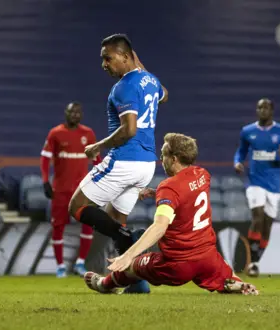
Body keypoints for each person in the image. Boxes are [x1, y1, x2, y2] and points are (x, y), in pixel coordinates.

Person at [84, 133, 259, 295]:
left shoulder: (169, 187)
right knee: (225, 278)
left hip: (178, 263)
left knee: (133, 266)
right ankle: (238, 286)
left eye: (164, 154)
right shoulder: (202, 175)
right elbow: (186, 197)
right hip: (208, 257)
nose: (161, 158)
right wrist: (156, 193)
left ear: (174, 159)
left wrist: (127, 255)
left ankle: (104, 284)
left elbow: (160, 226)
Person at [67, 33, 167, 293]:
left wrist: (98, 146)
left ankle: (128, 239)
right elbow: (164, 95)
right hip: (147, 165)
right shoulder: (150, 81)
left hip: (125, 160)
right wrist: (141, 68)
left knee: (77, 206)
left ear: (125, 57)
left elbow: (129, 129)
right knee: (115, 217)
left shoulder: (122, 87)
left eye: (108, 59)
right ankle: (133, 282)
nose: (104, 65)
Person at [234, 98, 280, 277]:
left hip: (273, 185)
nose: (262, 110)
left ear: (272, 111)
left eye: (266, 107)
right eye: (259, 107)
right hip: (254, 182)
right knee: (258, 216)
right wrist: (238, 162)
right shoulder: (248, 131)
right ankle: (252, 262)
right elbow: (241, 152)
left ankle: (255, 261)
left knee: (267, 226)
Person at [40, 102, 101, 277]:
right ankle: (60, 266)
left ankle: (80, 263)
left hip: (82, 191)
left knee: (88, 225)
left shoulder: (88, 134)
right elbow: (45, 159)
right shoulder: (55, 133)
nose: (75, 114)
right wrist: (45, 181)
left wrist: (100, 182)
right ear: (65, 113)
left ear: (81, 115)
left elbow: (97, 160)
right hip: (60, 190)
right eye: (71, 112)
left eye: (78, 112)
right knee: (58, 227)